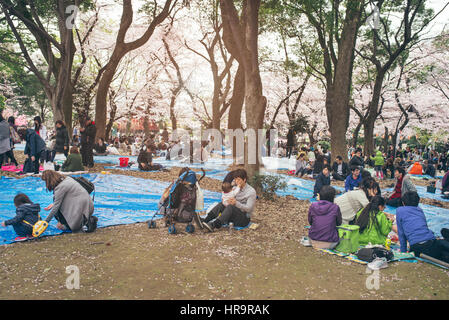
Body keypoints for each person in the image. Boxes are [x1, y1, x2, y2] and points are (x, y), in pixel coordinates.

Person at [396, 192, 449, 263]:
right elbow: (424, 226)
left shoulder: (399, 210)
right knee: (442, 249)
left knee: (439, 253)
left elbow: (401, 234)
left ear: (403, 203)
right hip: (431, 244)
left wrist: (403, 252)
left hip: (417, 249)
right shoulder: (419, 210)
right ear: (417, 202)